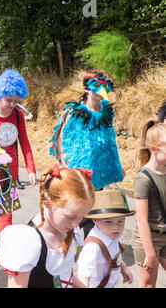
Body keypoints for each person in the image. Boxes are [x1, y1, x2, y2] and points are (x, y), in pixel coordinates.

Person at [50, 70, 125, 237]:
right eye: (96, 85)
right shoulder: (75, 111)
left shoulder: (106, 111)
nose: (101, 89)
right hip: (80, 172)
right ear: (86, 89)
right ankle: (57, 237)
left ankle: (89, 245)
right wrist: (64, 161)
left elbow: (110, 140)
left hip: (99, 170)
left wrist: (117, 166)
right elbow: (60, 138)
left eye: (105, 85)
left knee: (94, 209)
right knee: (79, 209)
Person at [0, 165, 95, 288]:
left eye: (81, 217)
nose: (76, 224)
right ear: (47, 202)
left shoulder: (67, 230)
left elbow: (64, 275)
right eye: (71, 217)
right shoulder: (28, 241)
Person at [0, 69, 36, 254]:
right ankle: (9, 252)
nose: (12, 105)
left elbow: (24, 143)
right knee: (5, 209)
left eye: (16, 101)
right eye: (8, 100)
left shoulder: (18, 115)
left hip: (11, 169)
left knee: (1, 206)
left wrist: (31, 169)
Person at [76, 188, 134, 288]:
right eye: (108, 222)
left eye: (120, 221)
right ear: (95, 220)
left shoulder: (111, 235)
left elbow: (114, 254)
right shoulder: (93, 248)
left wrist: (123, 268)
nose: (115, 228)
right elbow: (83, 278)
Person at [132, 121, 166, 288]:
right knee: (148, 285)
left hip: (165, 234)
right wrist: (150, 253)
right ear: (153, 149)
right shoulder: (143, 178)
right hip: (148, 239)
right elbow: (141, 220)